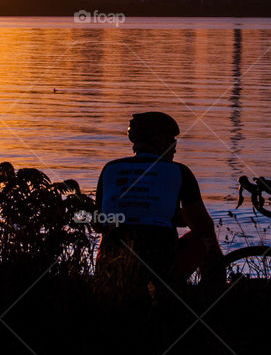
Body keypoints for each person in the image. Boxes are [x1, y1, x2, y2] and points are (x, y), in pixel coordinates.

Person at [94, 111, 224, 295]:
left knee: (111, 229)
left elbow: (99, 222)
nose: (175, 148)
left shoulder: (110, 169)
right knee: (206, 235)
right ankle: (214, 295)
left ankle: (108, 283)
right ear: (160, 140)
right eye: (172, 141)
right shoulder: (179, 172)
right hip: (161, 271)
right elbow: (202, 224)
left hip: (111, 268)